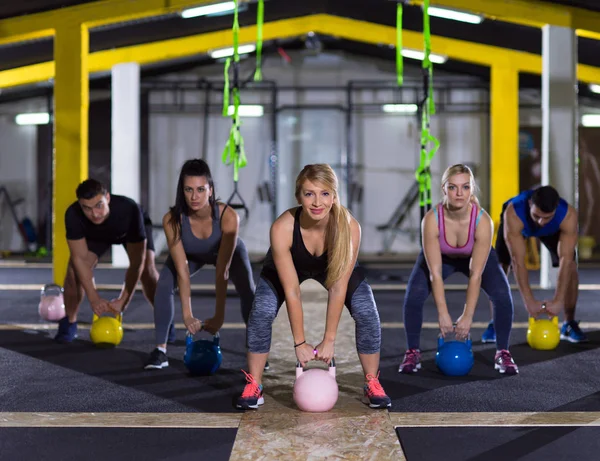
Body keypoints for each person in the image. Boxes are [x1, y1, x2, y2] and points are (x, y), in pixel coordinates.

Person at [236, 163, 392, 410]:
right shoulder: (282, 228)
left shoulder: (349, 228)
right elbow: (292, 291)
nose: (317, 202)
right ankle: (254, 383)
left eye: (325, 193)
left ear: (334, 195)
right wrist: (300, 343)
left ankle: (371, 382)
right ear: (299, 196)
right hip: (288, 268)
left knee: (366, 310)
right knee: (262, 310)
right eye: (309, 194)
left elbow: (338, 288)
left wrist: (329, 339)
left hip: (332, 268)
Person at [398, 164, 518, 376]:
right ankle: (412, 352)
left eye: (465, 187)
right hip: (442, 258)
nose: (459, 193)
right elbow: (435, 273)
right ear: (444, 189)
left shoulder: (483, 221)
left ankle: (503, 352)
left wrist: (467, 315)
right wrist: (443, 314)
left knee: (502, 295)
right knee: (414, 294)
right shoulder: (432, 220)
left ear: (472, 189)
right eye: (453, 187)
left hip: (476, 259)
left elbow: (476, 274)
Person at [144, 159, 256, 370]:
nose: (194, 197)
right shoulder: (172, 220)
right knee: (164, 284)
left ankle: (257, 350)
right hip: (191, 254)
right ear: (182, 191)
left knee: (248, 290)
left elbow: (222, 271)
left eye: (200, 189)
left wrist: (219, 316)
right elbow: (182, 271)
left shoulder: (229, 216)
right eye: (188, 190)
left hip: (226, 253)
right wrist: (187, 314)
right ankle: (160, 350)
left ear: (210, 190)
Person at [55, 179, 159, 343]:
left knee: (148, 270)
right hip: (97, 234)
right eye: (87, 208)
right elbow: (80, 260)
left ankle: (164, 320)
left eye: (99, 205)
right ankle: (69, 322)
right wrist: (94, 298)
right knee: (74, 271)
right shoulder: (73, 214)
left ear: (107, 198)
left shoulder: (129, 210)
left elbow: (136, 263)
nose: (94, 213)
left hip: (127, 232)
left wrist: (123, 301)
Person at [481, 185, 587, 343]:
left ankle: (569, 324)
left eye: (546, 217)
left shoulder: (568, 216)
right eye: (537, 216)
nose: (541, 221)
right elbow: (518, 261)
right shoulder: (514, 212)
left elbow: (566, 260)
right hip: (518, 227)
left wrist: (558, 300)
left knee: (571, 266)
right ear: (530, 204)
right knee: (499, 268)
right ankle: (495, 324)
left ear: (555, 210)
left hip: (553, 231)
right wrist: (529, 301)